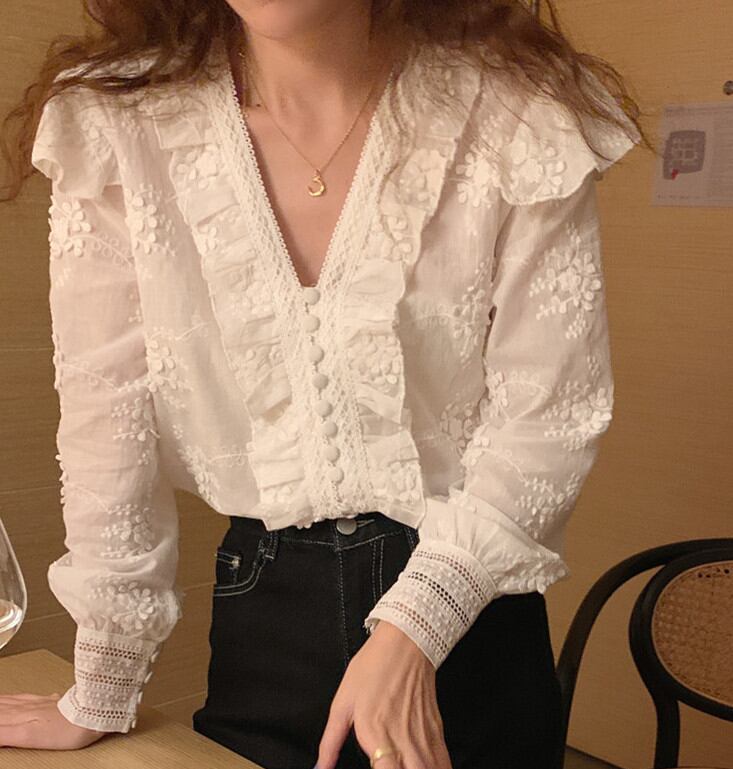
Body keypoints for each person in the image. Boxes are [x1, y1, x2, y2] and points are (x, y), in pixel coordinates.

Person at [0, 1, 649, 767]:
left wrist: (416, 625)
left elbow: (547, 417)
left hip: (475, 617)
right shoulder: (122, 122)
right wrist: (104, 676)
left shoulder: (514, 114)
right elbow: (107, 411)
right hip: (267, 617)